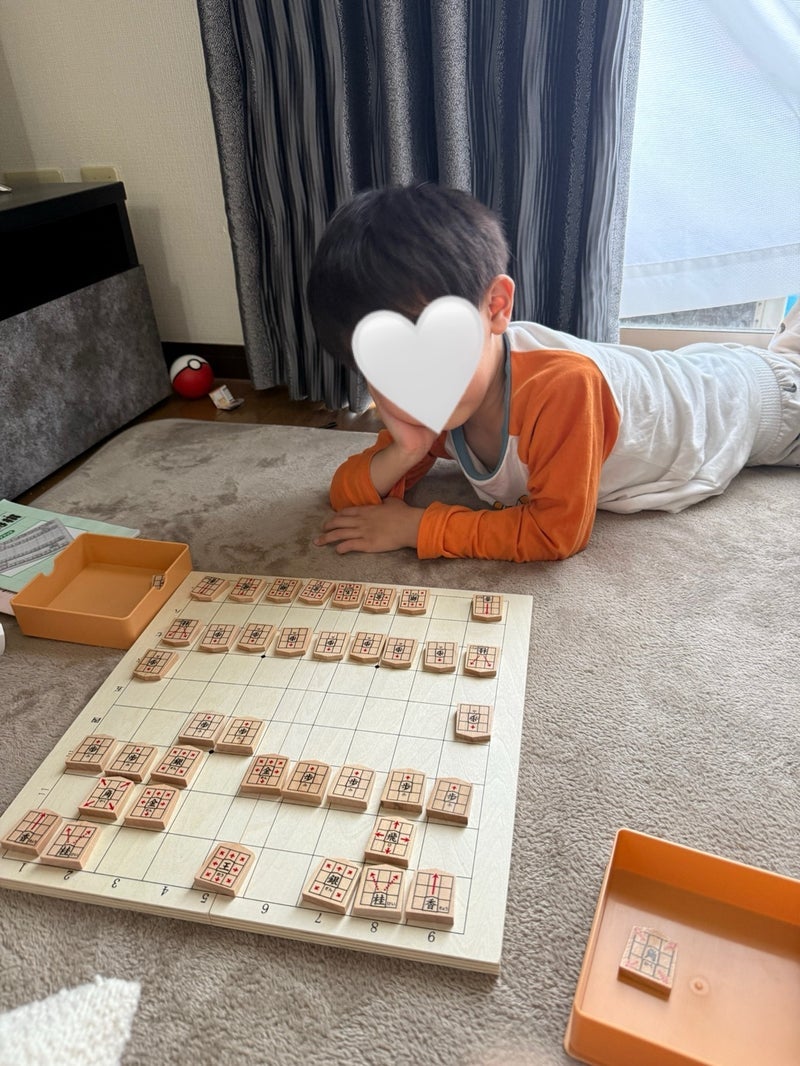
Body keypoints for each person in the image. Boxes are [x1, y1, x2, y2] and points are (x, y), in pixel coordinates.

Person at [306, 183, 800, 562]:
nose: (410, 390)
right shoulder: (443, 398)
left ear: (496, 307)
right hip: (692, 375)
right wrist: (407, 449)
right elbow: (345, 492)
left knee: (781, 370)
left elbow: (554, 533)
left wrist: (417, 528)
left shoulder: (560, 390)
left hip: (754, 408)